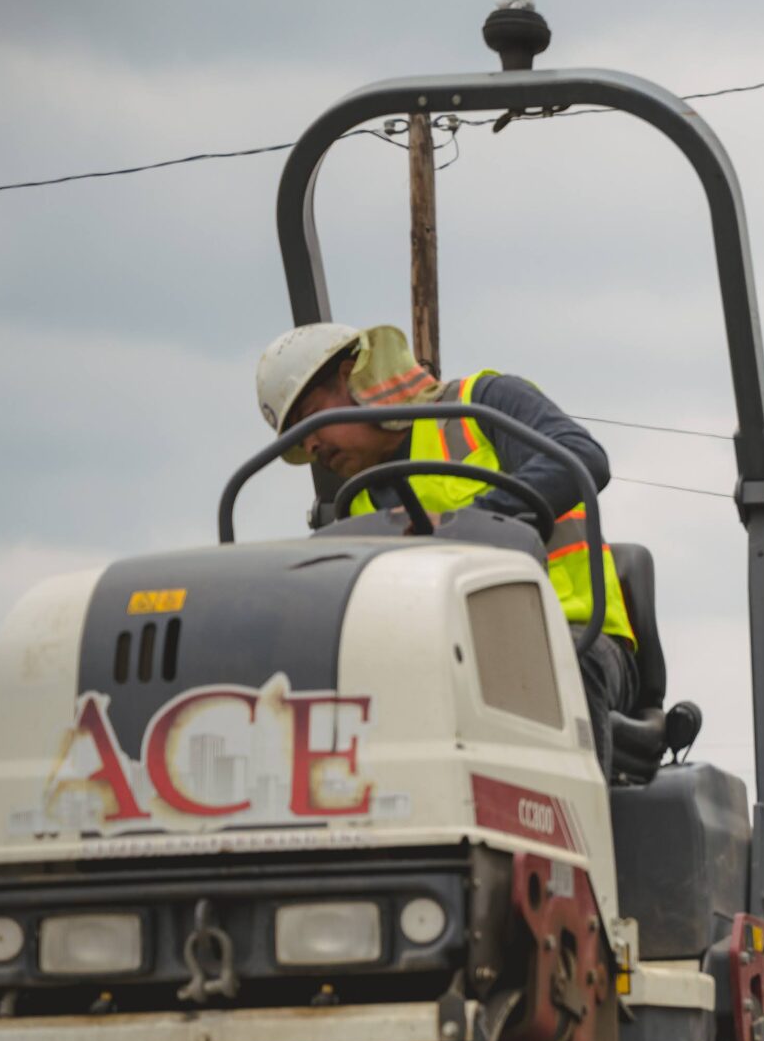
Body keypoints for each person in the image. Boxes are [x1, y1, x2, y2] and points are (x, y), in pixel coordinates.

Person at [252, 322, 638, 776]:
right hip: (447, 658)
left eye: (312, 417)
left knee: (558, 667)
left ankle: (580, 838)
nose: (311, 444)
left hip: (577, 636)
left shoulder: (483, 405)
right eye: (299, 438)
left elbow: (580, 457)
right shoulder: (356, 506)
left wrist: (474, 524)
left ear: (355, 375)